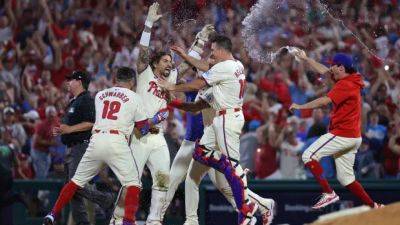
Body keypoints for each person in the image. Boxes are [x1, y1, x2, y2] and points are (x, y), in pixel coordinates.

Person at [158, 35, 260, 225]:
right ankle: (192, 219)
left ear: (221, 51)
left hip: (226, 118)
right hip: (218, 123)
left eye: (212, 52)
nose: (210, 55)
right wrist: (187, 56)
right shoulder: (235, 65)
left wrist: (171, 86)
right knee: (200, 157)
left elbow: (198, 82)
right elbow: (196, 101)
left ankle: (247, 211)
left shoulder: (219, 73)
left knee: (232, 168)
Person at [130, 3, 215, 224]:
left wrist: (202, 40)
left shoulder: (171, 79)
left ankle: (154, 220)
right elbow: (142, 53)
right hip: (139, 136)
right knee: (131, 182)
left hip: (158, 138)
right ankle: (120, 219)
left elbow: (186, 65)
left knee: (162, 180)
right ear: (155, 64)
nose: (169, 64)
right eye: (165, 61)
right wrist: (148, 24)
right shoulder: (144, 72)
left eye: (170, 61)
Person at [43, 67, 151, 225]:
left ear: (115, 79)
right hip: (116, 141)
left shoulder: (100, 95)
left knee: (75, 182)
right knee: (133, 184)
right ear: (132, 82)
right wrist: (152, 122)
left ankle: (52, 214)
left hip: (96, 140)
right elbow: (143, 128)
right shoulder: (135, 97)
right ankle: (129, 221)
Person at [165, 86, 275, 225]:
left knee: (193, 179)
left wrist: (171, 97)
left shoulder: (216, 87)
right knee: (224, 186)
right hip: (212, 137)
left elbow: (195, 108)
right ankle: (261, 205)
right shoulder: (208, 85)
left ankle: (193, 220)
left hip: (215, 140)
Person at [289, 50, 383, 209]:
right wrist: (306, 58)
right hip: (353, 137)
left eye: (333, 65)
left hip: (343, 134)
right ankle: (374, 206)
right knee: (346, 179)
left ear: (341, 67)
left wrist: (300, 106)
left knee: (308, 155)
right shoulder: (350, 78)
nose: (330, 68)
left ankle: (328, 193)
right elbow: (323, 71)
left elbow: (324, 102)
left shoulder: (346, 84)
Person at [50, 71, 115, 225]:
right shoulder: (75, 101)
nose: (68, 83)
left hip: (81, 147)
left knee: (74, 186)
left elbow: (92, 123)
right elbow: (71, 126)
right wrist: (62, 129)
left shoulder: (86, 100)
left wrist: (69, 130)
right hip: (72, 148)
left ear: (79, 81)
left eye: (70, 80)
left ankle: (106, 199)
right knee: (72, 192)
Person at [31, 106, 58, 179]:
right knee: (41, 173)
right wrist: (50, 143)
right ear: (47, 115)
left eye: (52, 116)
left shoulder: (55, 124)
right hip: (38, 151)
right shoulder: (41, 125)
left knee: (45, 172)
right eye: (50, 116)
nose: (51, 117)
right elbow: (37, 140)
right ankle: (39, 189)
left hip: (46, 152)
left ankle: (41, 189)